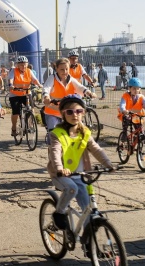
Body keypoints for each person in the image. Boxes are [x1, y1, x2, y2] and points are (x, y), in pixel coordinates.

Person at [47, 94, 115, 231]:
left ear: (83, 113)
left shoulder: (84, 132)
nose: (75, 115)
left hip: (80, 176)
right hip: (61, 175)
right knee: (72, 189)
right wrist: (60, 169)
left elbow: (96, 149)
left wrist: (109, 164)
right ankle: (59, 213)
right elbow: (55, 153)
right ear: (63, 114)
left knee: (88, 212)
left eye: (79, 111)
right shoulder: (57, 133)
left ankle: (88, 245)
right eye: (70, 112)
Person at [43, 57, 95, 134]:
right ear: (56, 69)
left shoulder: (71, 79)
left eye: (67, 69)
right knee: (53, 133)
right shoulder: (52, 78)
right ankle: (52, 144)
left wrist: (88, 92)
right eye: (62, 69)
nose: (65, 72)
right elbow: (46, 88)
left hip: (67, 112)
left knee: (73, 132)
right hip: (53, 111)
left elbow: (80, 87)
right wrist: (46, 96)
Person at [8, 56, 43, 136]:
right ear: (17, 65)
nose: (23, 66)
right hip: (15, 94)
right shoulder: (13, 71)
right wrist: (11, 85)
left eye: (25, 64)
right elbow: (11, 79)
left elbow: (34, 79)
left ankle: (30, 125)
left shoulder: (29, 71)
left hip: (26, 93)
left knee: (31, 109)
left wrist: (39, 84)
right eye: (21, 65)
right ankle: (14, 128)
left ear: (27, 64)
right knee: (16, 112)